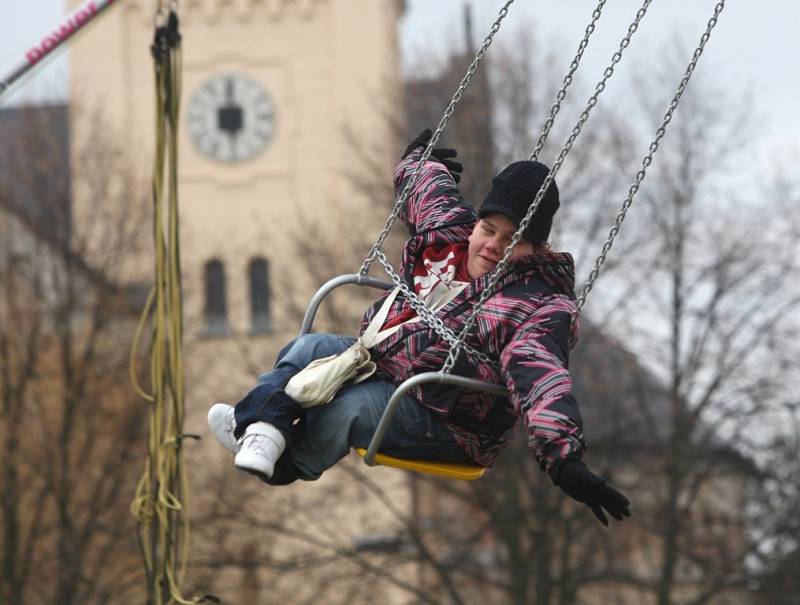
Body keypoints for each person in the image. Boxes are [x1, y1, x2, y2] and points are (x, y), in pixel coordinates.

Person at [208, 129, 630, 526]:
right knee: (308, 349)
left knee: (351, 409)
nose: (491, 246)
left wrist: (564, 459)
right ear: (477, 221)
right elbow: (424, 188)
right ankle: (260, 430)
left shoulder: (535, 304)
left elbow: (541, 379)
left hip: (444, 419)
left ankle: (286, 464)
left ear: (536, 247)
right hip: (381, 359)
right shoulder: (449, 232)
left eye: (512, 240)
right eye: (488, 229)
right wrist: (416, 161)